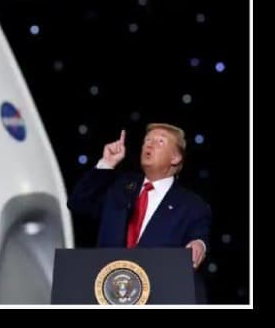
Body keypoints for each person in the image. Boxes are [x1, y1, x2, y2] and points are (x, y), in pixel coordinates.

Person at [67, 123, 211, 302]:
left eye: (159, 142)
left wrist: (198, 245)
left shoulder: (192, 205)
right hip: (107, 293)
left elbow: (199, 236)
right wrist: (107, 163)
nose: (149, 145)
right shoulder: (119, 186)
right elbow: (78, 203)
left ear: (175, 157)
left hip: (159, 296)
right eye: (146, 141)